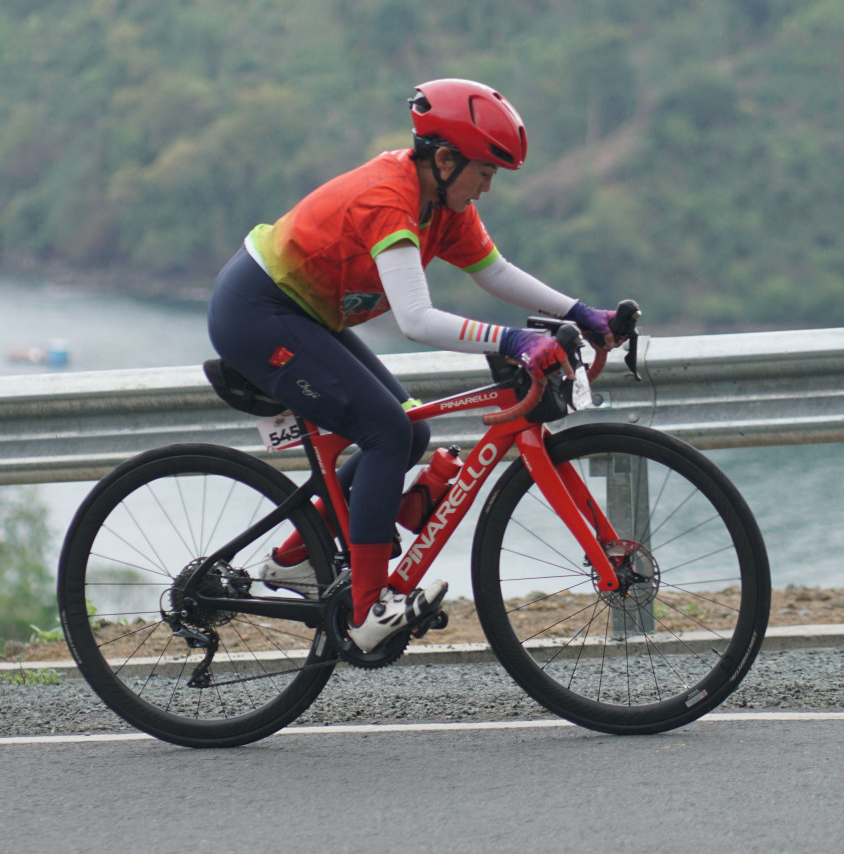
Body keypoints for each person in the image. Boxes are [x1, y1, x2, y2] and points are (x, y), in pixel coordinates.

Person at [207, 77, 619, 654]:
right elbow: (417, 321)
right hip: (258, 313)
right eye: (484, 173)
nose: (487, 188)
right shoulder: (389, 199)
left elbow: (495, 272)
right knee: (386, 431)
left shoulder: (444, 204)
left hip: (303, 313)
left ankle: (296, 558)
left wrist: (579, 312)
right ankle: (368, 610)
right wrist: (512, 341)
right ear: (445, 160)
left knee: (410, 430)